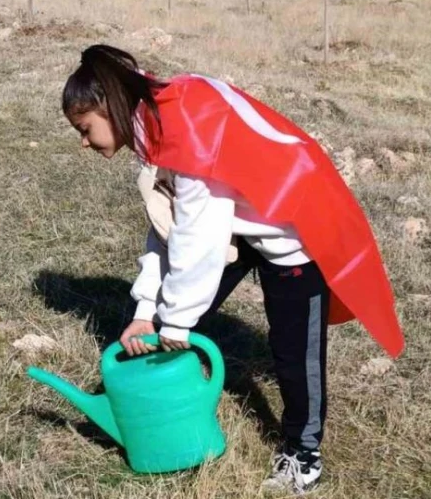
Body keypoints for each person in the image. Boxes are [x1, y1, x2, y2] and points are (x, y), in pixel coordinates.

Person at [61, 45, 404, 495]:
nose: (83, 142)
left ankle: (303, 454)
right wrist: (147, 310)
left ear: (109, 106)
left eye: (84, 129)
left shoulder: (185, 126)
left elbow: (198, 238)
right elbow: (167, 228)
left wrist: (178, 320)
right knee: (161, 322)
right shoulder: (153, 125)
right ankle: (170, 413)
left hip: (295, 227)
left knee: (295, 355)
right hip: (242, 227)